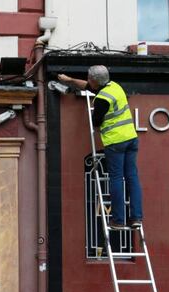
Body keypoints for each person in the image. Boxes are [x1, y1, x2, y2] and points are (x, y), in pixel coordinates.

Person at [59, 65, 143, 229]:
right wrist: (69, 80)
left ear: (95, 80)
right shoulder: (114, 87)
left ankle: (118, 220)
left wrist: (95, 114)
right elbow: (88, 86)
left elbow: (96, 122)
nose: (89, 81)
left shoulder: (102, 99)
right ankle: (136, 218)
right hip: (131, 138)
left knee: (117, 179)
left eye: (90, 79)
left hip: (115, 141)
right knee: (132, 177)